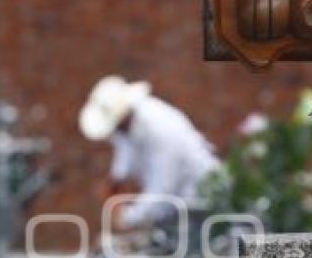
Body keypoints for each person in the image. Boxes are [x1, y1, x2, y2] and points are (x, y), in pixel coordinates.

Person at [79, 76, 221, 232]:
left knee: (228, 249)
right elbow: (126, 149)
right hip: (180, 210)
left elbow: (161, 192)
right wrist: (117, 178)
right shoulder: (127, 126)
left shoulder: (161, 130)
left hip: (205, 203)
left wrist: (128, 217)